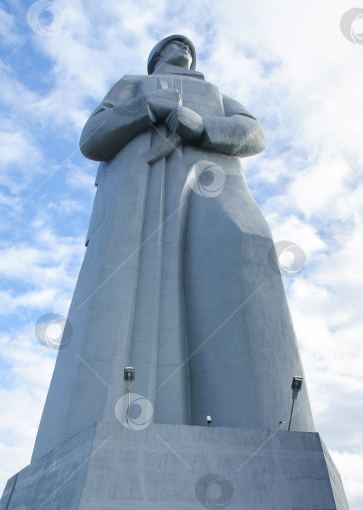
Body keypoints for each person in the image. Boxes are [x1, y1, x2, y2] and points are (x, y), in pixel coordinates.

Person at [32, 35, 313, 460]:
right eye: (172, 44)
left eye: (187, 44)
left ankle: (267, 432)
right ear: (156, 57)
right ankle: (102, 424)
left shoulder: (216, 94)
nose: (183, 46)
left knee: (243, 265)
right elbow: (92, 138)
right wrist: (147, 109)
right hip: (137, 195)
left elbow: (254, 133)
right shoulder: (132, 84)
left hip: (215, 185)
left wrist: (201, 126)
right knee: (123, 304)